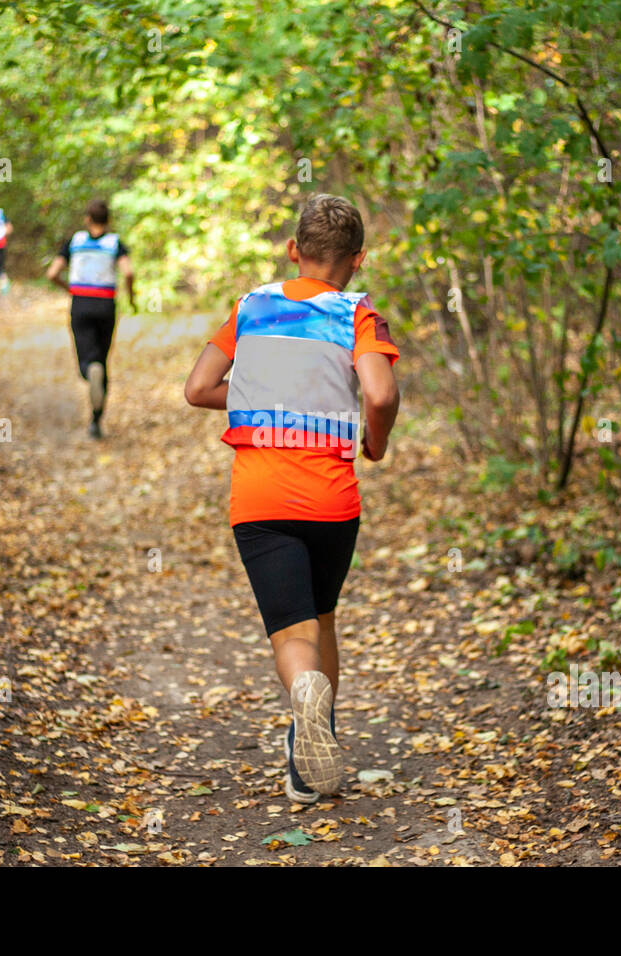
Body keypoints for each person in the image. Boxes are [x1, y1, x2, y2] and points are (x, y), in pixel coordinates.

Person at [184, 193, 400, 803]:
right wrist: (375, 445)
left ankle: (303, 700)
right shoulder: (358, 314)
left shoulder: (252, 306)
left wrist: (259, 396)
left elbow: (198, 387)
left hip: (261, 499)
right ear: (357, 260)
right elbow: (379, 396)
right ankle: (313, 760)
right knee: (323, 616)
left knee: (292, 634)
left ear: (292, 251)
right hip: (333, 500)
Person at [46, 199, 137, 439]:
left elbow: (52, 273)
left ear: (88, 219)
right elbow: (128, 272)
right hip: (106, 304)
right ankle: (96, 421)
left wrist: (68, 288)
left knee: (86, 357)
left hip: (81, 303)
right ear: (108, 221)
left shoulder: (74, 242)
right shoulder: (115, 243)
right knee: (102, 357)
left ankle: (89, 371)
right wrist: (131, 296)